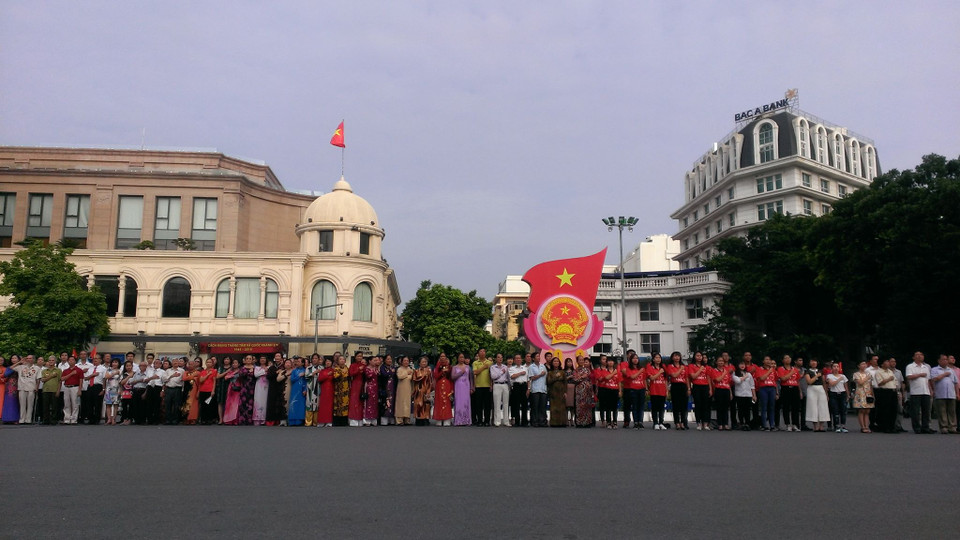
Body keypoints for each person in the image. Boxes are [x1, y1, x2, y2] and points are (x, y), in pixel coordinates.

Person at [905, 351, 934, 434]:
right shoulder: (910, 366)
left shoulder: (926, 367)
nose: (919, 356)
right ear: (913, 357)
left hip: (926, 391)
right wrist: (919, 375)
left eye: (921, 355)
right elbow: (909, 376)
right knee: (915, 411)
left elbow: (928, 380)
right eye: (917, 355)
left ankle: (925, 427)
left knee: (926, 411)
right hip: (915, 392)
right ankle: (917, 427)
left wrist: (931, 390)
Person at [930, 354, 958, 434]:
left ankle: (952, 427)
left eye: (946, 359)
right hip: (940, 393)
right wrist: (944, 374)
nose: (945, 361)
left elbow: (956, 383)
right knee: (942, 411)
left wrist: (957, 393)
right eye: (943, 359)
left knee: (952, 411)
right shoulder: (935, 369)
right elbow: (934, 379)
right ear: (939, 361)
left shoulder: (951, 370)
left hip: (951, 393)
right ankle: (944, 427)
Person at [873, 357, 900, 433]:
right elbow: (880, 382)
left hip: (893, 391)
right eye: (887, 362)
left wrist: (897, 391)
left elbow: (895, 381)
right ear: (882, 364)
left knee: (894, 409)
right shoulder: (878, 372)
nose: (888, 363)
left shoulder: (890, 371)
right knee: (885, 410)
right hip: (885, 391)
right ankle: (885, 427)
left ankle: (892, 426)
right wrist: (888, 379)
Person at [687, 352, 712, 430]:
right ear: (694, 357)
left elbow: (708, 378)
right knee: (698, 405)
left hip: (705, 386)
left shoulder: (706, 367)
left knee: (706, 405)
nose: (699, 357)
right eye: (697, 356)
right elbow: (693, 376)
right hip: (696, 386)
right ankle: (698, 423)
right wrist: (700, 370)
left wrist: (710, 389)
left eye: (700, 356)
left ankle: (705, 423)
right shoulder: (691, 366)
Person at [14, 354, 42, 424]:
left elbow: (38, 379)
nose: (28, 360)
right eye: (27, 358)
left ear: (33, 360)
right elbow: (10, 368)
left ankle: (28, 419)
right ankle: (22, 419)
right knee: (22, 404)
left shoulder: (37, 368)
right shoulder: (21, 367)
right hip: (22, 387)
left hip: (31, 388)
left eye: (30, 358)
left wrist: (37, 387)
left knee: (30, 405)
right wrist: (19, 362)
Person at [621, 353, 646, 429]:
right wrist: (639, 371)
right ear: (630, 360)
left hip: (641, 388)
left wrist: (646, 388)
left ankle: (640, 422)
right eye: (633, 358)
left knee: (641, 406)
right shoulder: (628, 369)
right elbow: (632, 377)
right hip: (633, 388)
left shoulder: (642, 368)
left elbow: (644, 379)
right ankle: (635, 422)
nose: (635, 360)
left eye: (637, 358)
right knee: (634, 406)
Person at [777, 355, 802, 432]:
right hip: (786, 388)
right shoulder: (780, 369)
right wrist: (791, 373)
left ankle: (795, 424)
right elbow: (783, 378)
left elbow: (797, 381)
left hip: (794, 388)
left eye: (789, 358)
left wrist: (800, 391)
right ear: (783, 360)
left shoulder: (795, 369)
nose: (788, 359)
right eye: (786, 358)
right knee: (786, 407)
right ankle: (788, 424)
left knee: (795, 407)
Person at [665, 352, 689, 430]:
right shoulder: (670, 366)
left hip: (683, 386)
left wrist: (688, 388)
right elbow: (674, 375)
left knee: (683, 405)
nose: (677, 358)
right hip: (675, 386)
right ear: (672, 358)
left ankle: (683, 422)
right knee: (676, 405)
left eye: (678, 356)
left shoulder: (684, 366)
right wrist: (681, 369)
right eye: (675, 356)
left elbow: (687, 378)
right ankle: (677, 423)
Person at [803, 359, 829, 431]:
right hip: (812, 389)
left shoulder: (820, 371)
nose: (814, 363)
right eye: (812, 361)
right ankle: (815, 426)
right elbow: (809, 381)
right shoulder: (807, 371)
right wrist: (816, 376)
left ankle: (821, 426)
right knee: (813, 407)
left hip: (820, 388)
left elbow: (824, 382)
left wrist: (826, 393)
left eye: (815, 361)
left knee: (822, 406)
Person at [596, 356, 621, 429]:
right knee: (608, 407)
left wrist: (620, 391)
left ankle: (615, 421)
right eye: (609, 361)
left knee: (615, 407)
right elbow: (606, 377)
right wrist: (614, 373)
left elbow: (619, 381)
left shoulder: (617, 371)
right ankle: (608, 422)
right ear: (607, 363)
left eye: (612, 361)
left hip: (615, 390)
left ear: (614, 363)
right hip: (607, 390)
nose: (610, 362)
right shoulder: (604, 370)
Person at [754, 356, 778, 431]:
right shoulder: (759, 369)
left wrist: (777, 392)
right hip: (763, 388)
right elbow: (761, 378)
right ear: (763, 361)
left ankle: (772, 425)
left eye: (769, 360)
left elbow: (775, 381)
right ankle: (764, 425)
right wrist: (769, 371)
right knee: (764, 407)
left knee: (771, 407)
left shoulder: (773, 370)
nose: (768, 361)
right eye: (766, 359)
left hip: (772, 388)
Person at [731, 360, 756, 431]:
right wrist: (745, 377)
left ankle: (747, 423)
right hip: (739, 394)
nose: (742, 365)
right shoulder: (735, 373)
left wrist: (754, 395)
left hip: (748, 394)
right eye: (741, 364)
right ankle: (742, 423)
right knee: (740, 410)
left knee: (747, 410)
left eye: (743, 364)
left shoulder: (749, 374)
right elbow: (738, 381)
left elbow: (752, 385)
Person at [825, 361, 850, 433]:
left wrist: (848, 395)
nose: (836, 368)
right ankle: (837, 425)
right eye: (834, 367)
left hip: (842, 394)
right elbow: (832, 384)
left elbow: (846, 386)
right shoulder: (829, 376)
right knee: (835, 410)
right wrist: (839, 379)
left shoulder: (843, 376)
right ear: (831, 368)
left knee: (843, 410)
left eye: (837, 367)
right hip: (833, 394)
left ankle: (843, 425)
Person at [645, 353, 668, 430]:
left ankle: (661, 422)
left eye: (659, 357)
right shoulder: (650, 368)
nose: (658, 359)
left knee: (662, 407)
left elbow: (665, 380)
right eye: (656, 358)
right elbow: (652, 378)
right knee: (654, 407)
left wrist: (667, 390)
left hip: (662, 390)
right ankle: (655, 423)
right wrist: (659, 372)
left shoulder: (663, 367)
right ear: (653, 359)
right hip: (654, 390)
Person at [573, 355, 596, 428]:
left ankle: (587, 422)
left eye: (582, 360)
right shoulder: (575, 370)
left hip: (587, 390)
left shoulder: (587, 369)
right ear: (577, 361)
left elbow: (589, 377)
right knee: (579, 406)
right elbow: (575, 379)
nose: (582, 361)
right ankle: (579, 422)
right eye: (580, 360)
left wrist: (582, 377)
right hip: (579, 390)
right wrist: (582, 377)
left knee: (587, 406)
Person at [710, 355, 733, 430]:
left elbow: (728, 382)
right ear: (716, 362)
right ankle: (720, 424)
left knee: (726, 408)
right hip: (719, 389)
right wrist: (723, 374)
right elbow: (717, 379)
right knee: (719, 407)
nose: (721, 362)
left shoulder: (726, 371)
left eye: (722, 361)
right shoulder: (714, 370)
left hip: (726, 390)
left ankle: (725, 423)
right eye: (719, 361)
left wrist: (730, 393)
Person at [852, 361, 875, 433]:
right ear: (859, 366)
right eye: (862, 364)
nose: (864, 365)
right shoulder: (856, 374)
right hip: (860, 393)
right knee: (862, 410)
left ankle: (867, 426)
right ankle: (862, 427)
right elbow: (860, 382)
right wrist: (866, 378)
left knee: (867, 410)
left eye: (865, 364)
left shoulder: (868, 374)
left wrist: (872, 394)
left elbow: (870, 384)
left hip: (868, 393)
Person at [472, 349, 493, 426]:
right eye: (480, 351)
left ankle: (487, 421)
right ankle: (480, 420)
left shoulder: (490, 363)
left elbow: (492, 375)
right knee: (479, 405)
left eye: (484, 351)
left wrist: (491, 385)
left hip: (487, 386)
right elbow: (475, 372)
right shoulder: (475, 363)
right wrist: (483, 367)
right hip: (478, 386)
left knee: (487, 405)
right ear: (478, 353)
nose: (482, 353)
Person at [60, 356, 83, 424]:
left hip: (75, 387)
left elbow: (81, 380)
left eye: (72, 360)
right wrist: (71, 374)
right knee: (66, 403)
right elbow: (62, 379)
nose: (71, 361)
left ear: (75, 361)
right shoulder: (65, 370)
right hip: (66, 387)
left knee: (75, 404)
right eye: (69, 360)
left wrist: (79, 390)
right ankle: (67, 419)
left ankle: (74, 419)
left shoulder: (79, 370)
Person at [39, 357, 62, 425]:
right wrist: (52, 376)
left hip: (54, 390)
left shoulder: (58, 370)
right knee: (45, 406)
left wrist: (58, 391)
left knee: (54, 406)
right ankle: (46, 420)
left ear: (55, 361)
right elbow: (43, 380)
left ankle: (54, 420)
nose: (51, 361)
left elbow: (60, 381)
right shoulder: (44, 370)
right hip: (46, 390)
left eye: (52, 360)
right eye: (50, 360)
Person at [452, 353, 473, 426]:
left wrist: (471, 388)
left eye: (463, 357)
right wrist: (461, 372)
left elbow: (471, 378)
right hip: (458, 386)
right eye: (460, 357)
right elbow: (453, 377)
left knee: (466, 403)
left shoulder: (468, 367)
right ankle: (458, 420)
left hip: (466, 386)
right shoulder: (454, 367)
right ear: (457, 359)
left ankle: (466, 420)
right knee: (458, 402)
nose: (461, 359)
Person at [412, 356, 434, 426]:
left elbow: (430, 381)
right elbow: (415, 379)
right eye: (423, 362)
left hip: (426, 388)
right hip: (418, 390)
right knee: (418, 404)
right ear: (419, 363)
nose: (424, 363)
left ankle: (426, 419)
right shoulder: (416, 371)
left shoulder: (429, 371)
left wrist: (429, 391)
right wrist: (423, 375)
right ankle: (418, 419)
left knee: (426, 405)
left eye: (425, 362)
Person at [527, 353, 548, 427]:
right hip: (535, 389)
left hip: (543, 389)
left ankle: (542, 421)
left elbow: (546, 376)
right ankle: (534, 421)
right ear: (533, 358)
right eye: (537, 356)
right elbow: (531, 378)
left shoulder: (543, 366)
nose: (538, 357)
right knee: (535, 406)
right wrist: (540, 375)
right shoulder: (531, 367)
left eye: (539, 356)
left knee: (542, 406)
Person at [432, 354, 453, 426]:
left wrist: (452, 388)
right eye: (441, 356)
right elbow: (435, 376)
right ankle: (439, 418)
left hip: (447, 385)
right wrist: (442, 371)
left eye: (444, 356)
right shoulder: (437, 367)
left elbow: (451, 377)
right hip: (439, 385)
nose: (443, 358)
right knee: (439, 401)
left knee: (447, 401)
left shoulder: (450, 367)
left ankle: (447, 419)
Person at [489, 354, 510, 427]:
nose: (500, 359)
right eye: (498, 357)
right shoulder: (493, 367)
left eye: (501, 357)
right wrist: (501, 372)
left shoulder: (505, 367)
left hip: (505, 384)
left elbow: (508, 377)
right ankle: (497, 421)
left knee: (506, 404)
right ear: (495, 359)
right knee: (497, 403)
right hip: (497, 384)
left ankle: (506, 421)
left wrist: (509, 386)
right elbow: (493, 376)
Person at [509, 353, 529, 427]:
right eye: (516, 358)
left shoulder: (525, 368)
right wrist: (520, 373)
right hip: (516, 386)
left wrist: (528, 389)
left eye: (519, 358)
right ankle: (517, 421)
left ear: (521, 360)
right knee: (516, 404)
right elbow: (512, 376)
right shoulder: (512, 368)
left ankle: (524, 421)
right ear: (514, 360)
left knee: (524, 405)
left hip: (524, 386)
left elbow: (528, 380)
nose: (518, 359)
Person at [161, 359, 183, 425]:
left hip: (177, 389)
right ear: (172, 363)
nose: (175, 363)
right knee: (168, 404)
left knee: (176, 405)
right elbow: (164, 379)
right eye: (174, 362)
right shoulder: (168, 370)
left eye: (176, 361)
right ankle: (168, 419)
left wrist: (169, 378)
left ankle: (175, 420)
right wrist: (172, 376)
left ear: (178, 363)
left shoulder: (182, 371)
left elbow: (180, 380)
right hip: (169, 389)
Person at [348, 353, 366, 427]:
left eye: (361, 356)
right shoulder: (353, 365)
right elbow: (351, 373)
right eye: (358, 356)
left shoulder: (364, 365)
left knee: (361, 402)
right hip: (355, 384)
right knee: (354, 401)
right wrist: (359, 369)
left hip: (362, 384)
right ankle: (353, 419)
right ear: (355, 357)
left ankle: (360, 419)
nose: (359, 357)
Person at [332, 354, 350, 426]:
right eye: (340, 359)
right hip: (338, 389)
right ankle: (337, 421)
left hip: (346, 389)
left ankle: (344, 421)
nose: (342, 360)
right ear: (338, 361)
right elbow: (335, 377)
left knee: (345, 405)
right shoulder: (336, 369)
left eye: (343, 359)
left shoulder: (347, 368)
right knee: (338, 405)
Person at [304, 354, 322, 427]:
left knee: (317, 404)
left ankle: (316, 422)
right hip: (310, 388)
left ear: (319, 359)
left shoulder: (322, 368)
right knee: (309, 404)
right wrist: (314, 373)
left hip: (318, 388)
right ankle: (308, 422)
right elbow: (306, 376)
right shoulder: (308, 368)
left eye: (316, 358)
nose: (314, 360)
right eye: (313, 358)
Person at [222, 358, 242, 425]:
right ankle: (228, 420)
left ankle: (235, 420)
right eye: (233, 363)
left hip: (238, 388)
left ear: (239, 364)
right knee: (229, 403)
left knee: (236, 404)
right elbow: (226, 377)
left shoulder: (241, 371)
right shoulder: (230, 371)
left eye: (236, 363)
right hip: (231, 388)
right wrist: (232, 374)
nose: (234, 364)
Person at [362, 356, 381, 426]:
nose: (375, 362)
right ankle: (367, 418)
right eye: (374, 360)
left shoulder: (376, 368)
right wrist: (373, 371)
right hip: (369, 386)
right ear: (369, 361)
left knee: (374, 402)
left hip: (375, 386)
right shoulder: (367, 368)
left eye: (376, 361)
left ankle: (373, 418)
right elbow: (368, 376)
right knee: (369, 402)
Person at [316, 357, 335, 427]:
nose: (328, 362)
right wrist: (327, 375)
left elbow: (334, 378)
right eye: (327, 361)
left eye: (329, 361)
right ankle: (321, 421)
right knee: (323, 406)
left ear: (332, 363)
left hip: (331, 390)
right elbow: (320, 379)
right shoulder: (322, 371)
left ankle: (329, 421)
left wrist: (329, 374)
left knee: (329, 406)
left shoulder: (334, 370)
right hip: (323, 390)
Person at [288, 357, 306, 426]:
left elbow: (306, 381)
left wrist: (305, 389)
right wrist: (299, 375)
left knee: (301, 405)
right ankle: (292, 420)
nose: (297, 363)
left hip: (301, 390)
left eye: (299, 361)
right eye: (296, 361)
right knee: (293, 404)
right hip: (295, 389)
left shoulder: (305, 370)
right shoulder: (294, 371)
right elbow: (292, 379)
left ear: (302, 363)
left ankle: (299, 420)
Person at [379, 355, 397, 426]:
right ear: (384, 360)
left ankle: (391, 419)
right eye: (388, 359)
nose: (389, 360)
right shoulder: (382, 367)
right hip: (385, 387)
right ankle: (384, 420)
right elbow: (384, 374)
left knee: (392, 402)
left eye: (390, 359)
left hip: (393, 387)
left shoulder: (393, 367)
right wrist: (391, 372)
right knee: (386, 402)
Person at [395, 356, 413, 425]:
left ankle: (407, 419)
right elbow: (400, 376)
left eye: (407, 361)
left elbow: (412, 378)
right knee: (400, 403)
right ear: (401, 362)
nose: (406, 362)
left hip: (408, 388)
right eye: (404, 361)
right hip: (401, 388)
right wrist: (406, 373)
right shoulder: (399, 369)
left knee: (407, 403)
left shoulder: (410, 369)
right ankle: (399, 420)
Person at [102, 358, 121, 425]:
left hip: (116, 389)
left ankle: (114, 419)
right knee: (108, 405)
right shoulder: (108, 370)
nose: (114, 364)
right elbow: (106, 377)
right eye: (113, 362)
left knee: (115, 405)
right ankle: (109, 419)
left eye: (116, 362)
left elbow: (121, 381)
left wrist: (120, 390)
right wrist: (115, 373)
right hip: (109, 389)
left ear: (118, 363)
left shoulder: (120, 370)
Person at [118, 360, 136, 425]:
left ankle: (130, 419)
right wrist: (128, 376)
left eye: (130, 366)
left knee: (131, 406)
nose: (128, 367)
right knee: (124, 406)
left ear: (132, 366)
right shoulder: (123, 374)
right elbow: (122, 383)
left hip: (133, 392)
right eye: (127, 366)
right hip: (125, 392)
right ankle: (125, 419)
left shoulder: (135, 373)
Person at [253, 356, 270, 426]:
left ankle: (264, 419)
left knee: (265, 401)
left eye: (264, 358)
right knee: (258, 400)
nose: (263, 360)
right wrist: (264, 371)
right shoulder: (257, 368)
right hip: (258, 386)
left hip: (266, 385)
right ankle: (257, 418)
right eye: (261, 358)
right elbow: (256, 375)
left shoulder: (269, 367)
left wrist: (264, 371)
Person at [564, 357, 577, 427]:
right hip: (566, 387)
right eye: (568, 362)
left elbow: (576, 379)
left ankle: (571, 419)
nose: (569, 363)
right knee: (566, 405)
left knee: (572, 405)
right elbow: (563, 380)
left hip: (573, 387)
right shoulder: (563, 371)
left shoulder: (574, 371)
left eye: (570, 362)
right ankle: (566, 419)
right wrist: (569, 377)